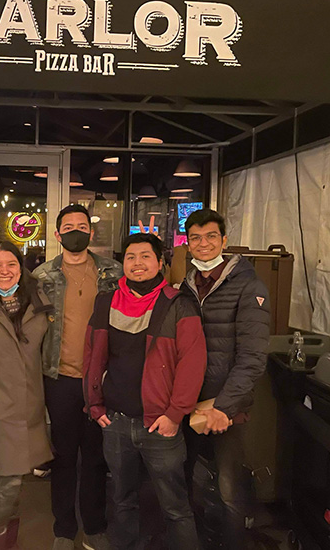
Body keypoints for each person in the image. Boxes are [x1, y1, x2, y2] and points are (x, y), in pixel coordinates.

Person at [84, 233, 206, 550]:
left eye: (145, 256)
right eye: (130, 257)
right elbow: (92, 355)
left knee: (175, 506)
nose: (137, 263)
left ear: (160, 262)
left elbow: (193, 363)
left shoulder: (178, 304)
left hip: (160, 424)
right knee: (122, 500)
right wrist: (95, 406)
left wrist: (175, 414)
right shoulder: (106, 302)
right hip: (116, 422)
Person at [32, 204, 122, 550]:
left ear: (91, 232)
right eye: (68, 227)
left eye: (81, 226)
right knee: (64, 456)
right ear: (57, 234)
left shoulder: (113, 272)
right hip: (60, 379)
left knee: (96, 457)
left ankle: (95, 526)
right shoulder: (41, 276)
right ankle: (64, 529)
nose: (75, 232)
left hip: (101, 378)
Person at [179, 209, 271, 550]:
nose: (203, 244)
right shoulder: (187, 286)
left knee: (230, 488)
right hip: (189, 403)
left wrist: (224, 407)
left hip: (224, 408)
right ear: (188, 244)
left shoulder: (248, 286)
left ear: (224, 240)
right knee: (189, 479)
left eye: (211, 237)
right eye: (196, 238)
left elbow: (253, 357)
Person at [0, 242, 55, 549]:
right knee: (12, 477)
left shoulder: (40, 300)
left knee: (17, 475)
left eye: (11, 264)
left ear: (21, 268)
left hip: (31, 402)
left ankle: (8, 533)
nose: (4, 271)